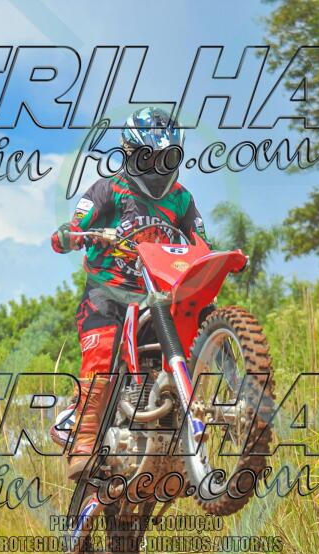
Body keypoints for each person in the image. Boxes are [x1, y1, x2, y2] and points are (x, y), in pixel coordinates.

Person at [50, 106, 209, 479]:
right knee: (102, 353)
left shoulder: (182, 200)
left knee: (201, 317)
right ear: (129, 153)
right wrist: (74, 235)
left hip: (158, 296)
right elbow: (73, 228)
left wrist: (209, 259)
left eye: (165, 159)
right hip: (108, 294)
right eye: (147, 158)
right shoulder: (107, 190)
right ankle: (84, 441)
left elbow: (201, 243)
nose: (156, 168)